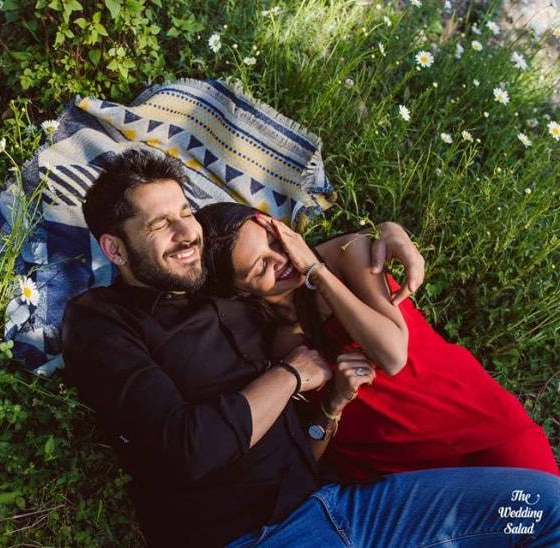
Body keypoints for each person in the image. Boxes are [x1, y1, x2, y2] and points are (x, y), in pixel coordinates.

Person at [61, 147, 560, 547]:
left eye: (185, 212)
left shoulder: (239, 296)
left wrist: (384, 232)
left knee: (545, 508)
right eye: (158, 224)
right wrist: (293, 377)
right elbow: (191, 449)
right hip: (265, 533)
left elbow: (325, 256)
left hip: (351, 506)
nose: (184, 232)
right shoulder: (102, 319)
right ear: (115, 250)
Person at [194, 201, 559, 480]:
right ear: (239, 293)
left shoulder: (342, 255)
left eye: (274, 241)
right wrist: (332, 403)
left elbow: (392, 355)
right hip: (402, 480)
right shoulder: (274, 348)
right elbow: (299, 454)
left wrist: (316, 271)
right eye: (260, 267)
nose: (281, 259)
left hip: (475, 426)